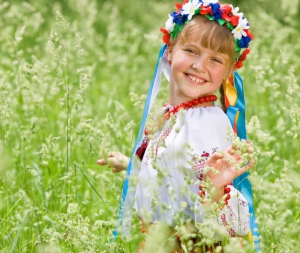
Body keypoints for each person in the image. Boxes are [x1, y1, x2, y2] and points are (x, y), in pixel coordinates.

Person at [98, 0, 260, 251]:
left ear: (228, 72)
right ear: (170, 50)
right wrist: (131, 166)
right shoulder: (171, 115)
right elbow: (170, 174)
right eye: (192, 51)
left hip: (191, 245)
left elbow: (222, 212)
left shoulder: (208, 122)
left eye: (215, 59)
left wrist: (214, 188)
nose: (200, 66)